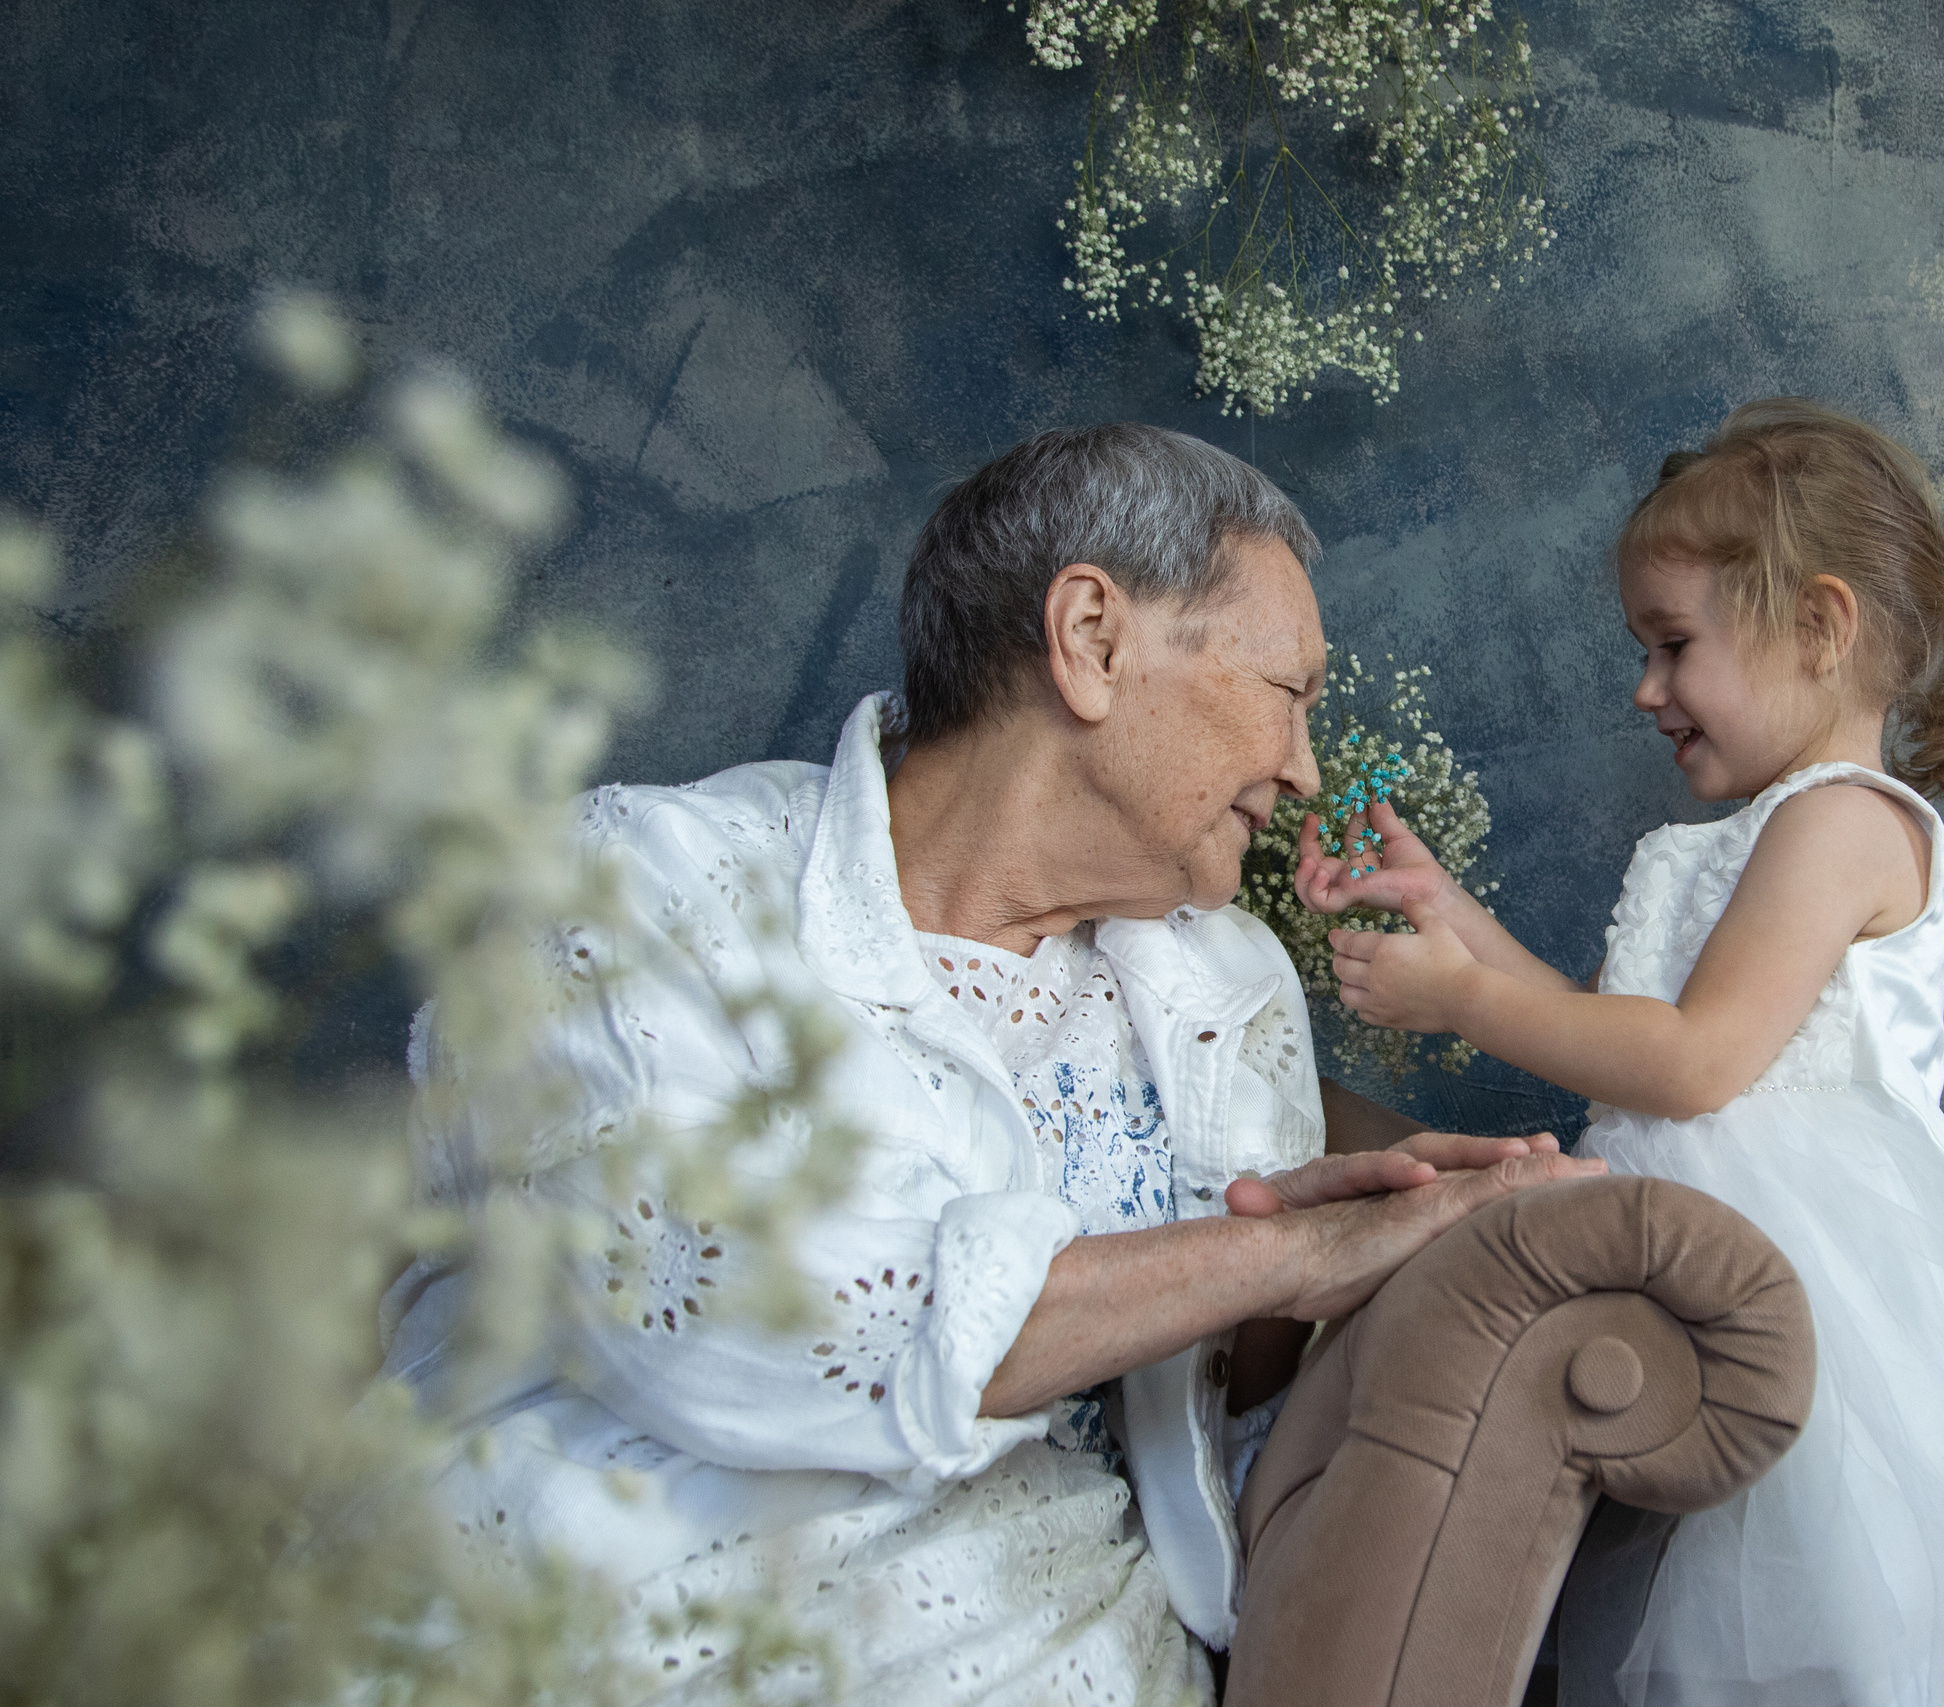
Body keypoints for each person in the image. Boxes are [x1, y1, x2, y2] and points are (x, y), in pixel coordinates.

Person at [382, 423, 1600, 1704]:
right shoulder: (632, 889)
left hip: (1064, 1645)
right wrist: (1279, 1256)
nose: (1302, 770)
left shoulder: (1226, 985)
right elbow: (727, 1316)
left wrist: (1327, 1281)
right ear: (1090, 639)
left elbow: (1207, 1457)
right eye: (1288, 694)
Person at [1293, 399, 1944, 1706]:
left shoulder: (1843, 824)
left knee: (1852, 1626)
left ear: (1818, 625)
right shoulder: (1763, 831)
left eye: (1673, 644)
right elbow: (1619, 1041)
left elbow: (1694, 1062)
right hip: (1713, 1262)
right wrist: (1446, 910)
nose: (1645, 687)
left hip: (1827, 1284)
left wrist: (1462, 998)